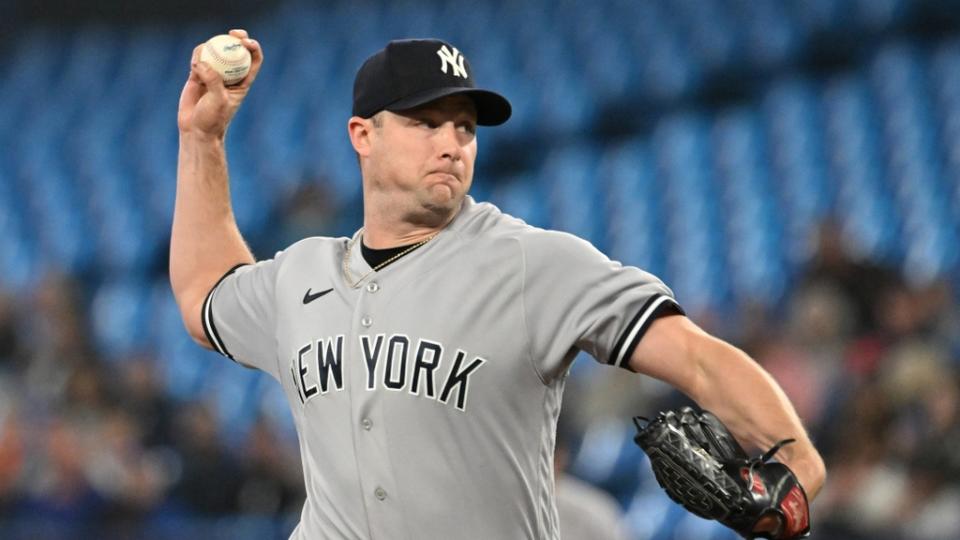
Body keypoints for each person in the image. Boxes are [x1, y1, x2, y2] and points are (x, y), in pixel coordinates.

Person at [171, 29, 826, 539]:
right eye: (426, 122)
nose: (452, 142)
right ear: (362, 135)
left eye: (464, 126)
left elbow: (696, 357)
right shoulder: (302, 275)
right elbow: (206, 291)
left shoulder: (535, 264)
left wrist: (796, 461)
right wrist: (204, 138)